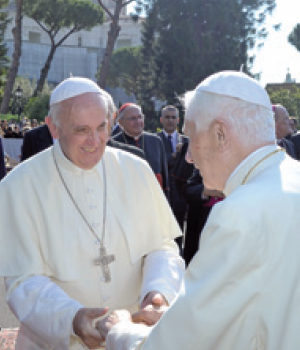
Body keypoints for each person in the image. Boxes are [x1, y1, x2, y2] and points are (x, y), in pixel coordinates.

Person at [96, 70, 300, 350]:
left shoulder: (239, 213)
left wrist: (119, 331)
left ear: (220, 133)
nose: (189, 157)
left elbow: (181, 345)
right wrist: (176, 315)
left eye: (191, 139)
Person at [0, 77, 185, 350]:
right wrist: (71, 318)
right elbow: (22, 280)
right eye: (81, 130)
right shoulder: (18, 186)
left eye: (102, 127)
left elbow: (162, 246)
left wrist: (158, 292)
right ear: (53, 127)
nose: (94, 141)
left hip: (133, 336)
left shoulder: (136, 170)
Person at [113, 103, 169, 195]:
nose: (138, 121)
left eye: (140, 117)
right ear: (120, 122)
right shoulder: (113, 144)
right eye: (133, 118)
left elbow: (164, 177)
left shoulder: (156, 141)